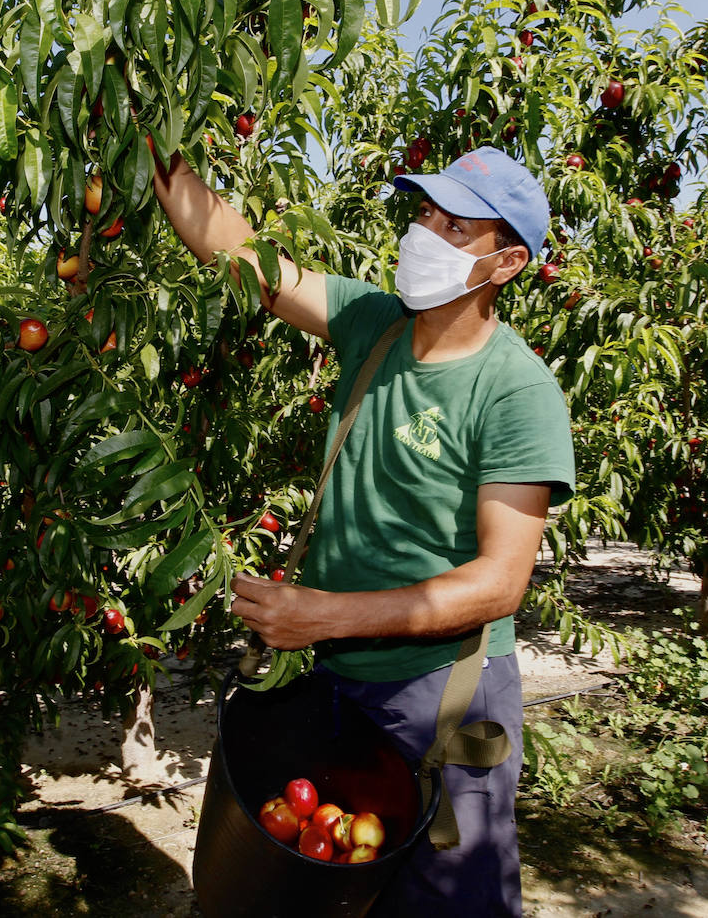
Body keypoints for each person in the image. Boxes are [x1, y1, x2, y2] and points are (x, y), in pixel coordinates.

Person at [154, 145, 575, 916]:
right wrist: (151, 134)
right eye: (423, 213)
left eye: (456, 226)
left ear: (507, 262)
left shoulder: (517, 391)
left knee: (449, 899)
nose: (426, 234)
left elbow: (500, 581)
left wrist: (323, 615)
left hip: (443, 693)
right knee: (330, 883)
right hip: (336, 679)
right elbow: (242, 253)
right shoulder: (372, 323)